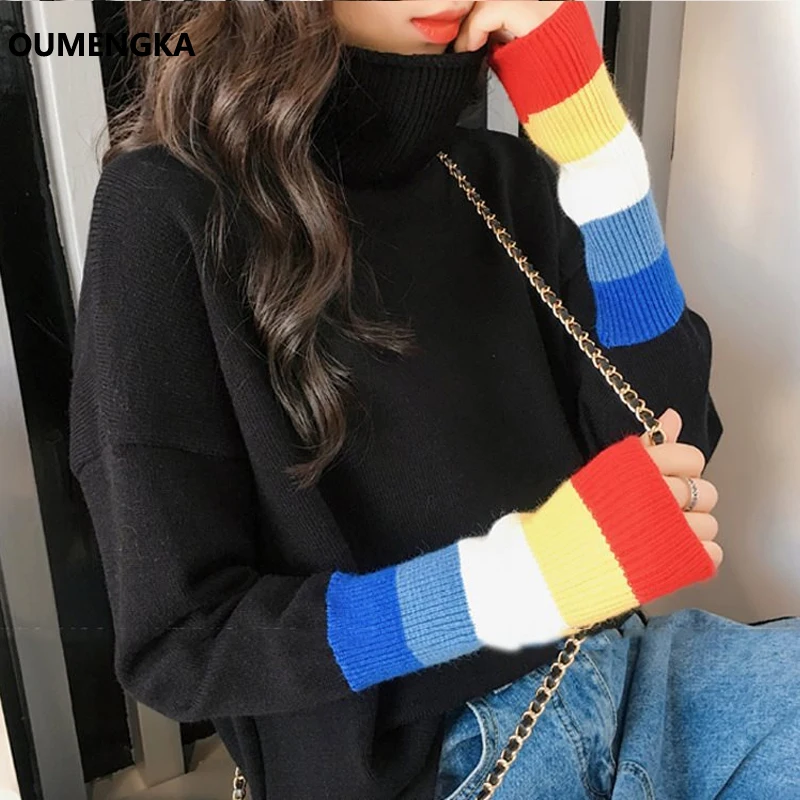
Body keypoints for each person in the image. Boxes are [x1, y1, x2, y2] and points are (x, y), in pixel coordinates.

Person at [68, 2, 799, 798]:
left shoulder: (497, 177)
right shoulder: (165, 205)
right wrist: (511, 585)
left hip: (630, 675)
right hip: (430, 761)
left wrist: (600, 153)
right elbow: (182, 641)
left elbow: (667, 433)